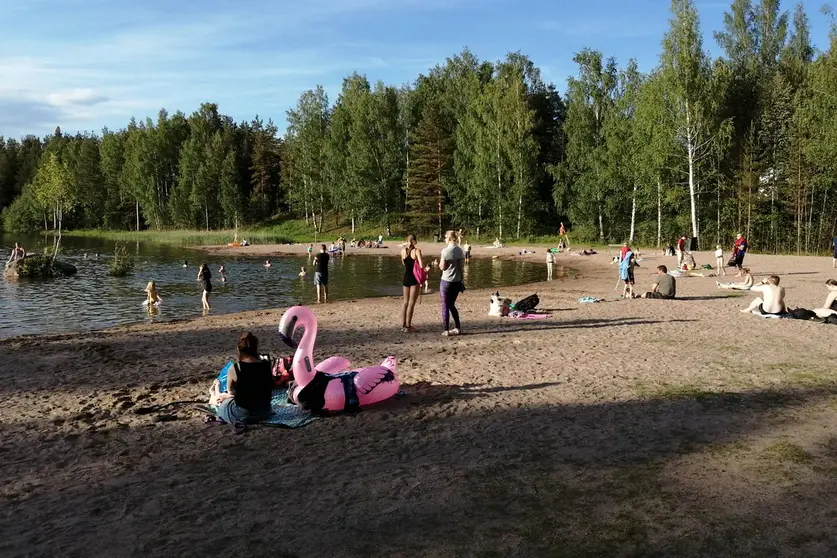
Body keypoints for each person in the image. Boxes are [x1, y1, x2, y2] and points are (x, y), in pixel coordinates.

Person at [212, 333, 274, 425]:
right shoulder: (267, 365)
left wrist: (225, 396)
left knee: (221, 403)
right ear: (255, 348)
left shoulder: (235, 368)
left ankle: (215, 391)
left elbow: (231, 392)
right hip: (264, 412)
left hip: (244, 414)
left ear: (239, 349)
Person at [439, 230, 465, 336]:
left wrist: (441, 262)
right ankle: (457, 327)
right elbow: (461, 267)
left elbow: (442, 267)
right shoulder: (459, 250)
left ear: (449, 238)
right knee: (451, 305)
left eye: (445, 237)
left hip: (446, 281)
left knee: (445, 305)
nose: (444, 239)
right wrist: (462, 280)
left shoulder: (445, 251)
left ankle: (446, 329)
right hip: (457, 281)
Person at [400, 234, 424, 332]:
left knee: (405, 302)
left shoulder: (402, 251)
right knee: (411, 303)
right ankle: (409, 327)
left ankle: (403, 325)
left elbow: (403, 263)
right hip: (414, 279)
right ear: (415, 241)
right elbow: (421, 266)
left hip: (406, 278)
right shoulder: (417, 251)